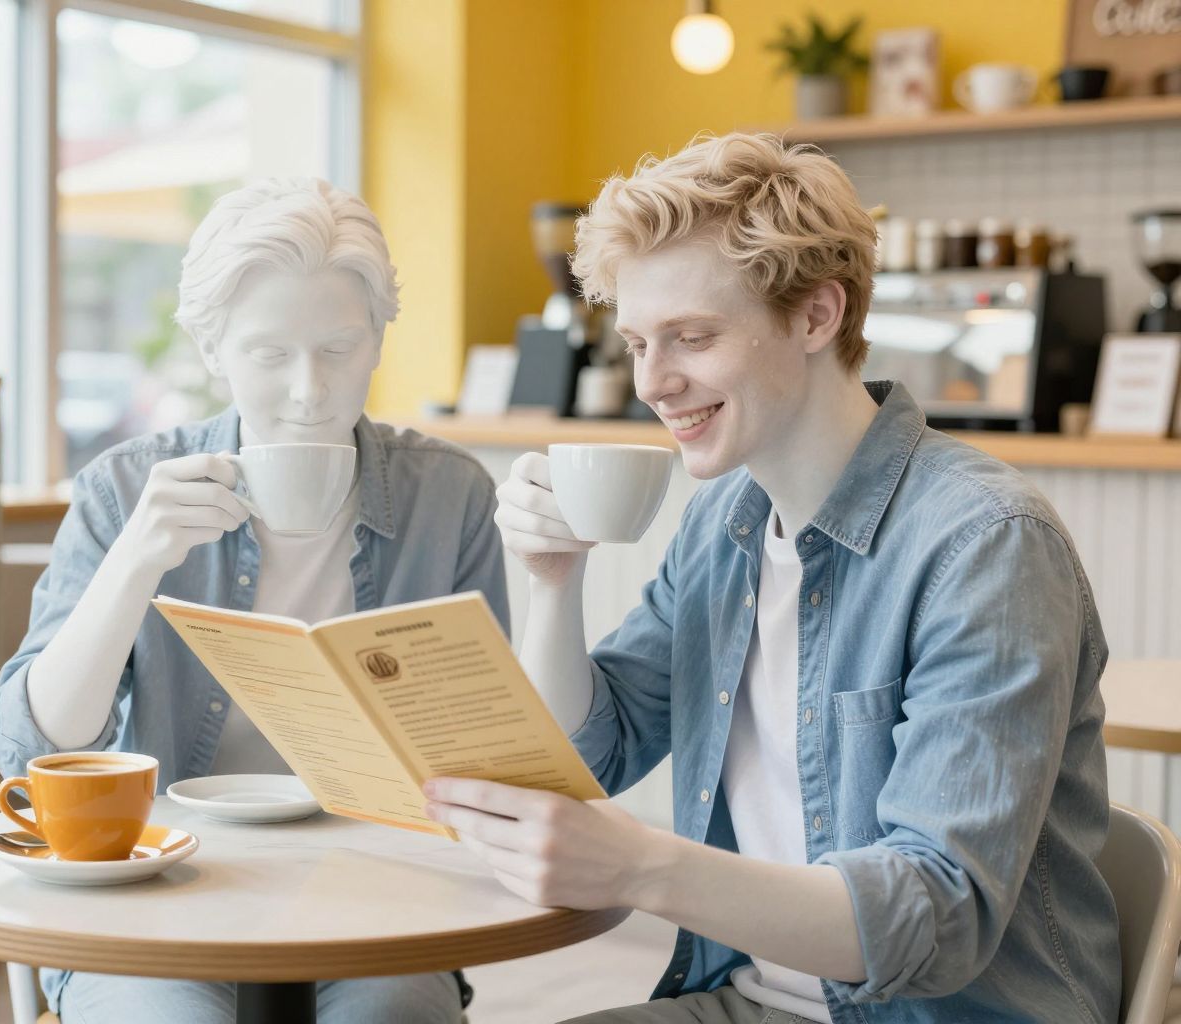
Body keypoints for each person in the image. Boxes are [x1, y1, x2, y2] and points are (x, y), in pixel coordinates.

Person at [422, 132, 1119, 1023]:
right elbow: (591, 753)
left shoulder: (984, 545)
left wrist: (642, 866)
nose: (653, 382)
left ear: (817, 317)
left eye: (693, 337)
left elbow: (937, 916)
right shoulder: (727, 522)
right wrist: (552, 582)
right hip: (752, 1000)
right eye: (637, 341)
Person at [0, 178, 507, 1023]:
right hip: (158, 890)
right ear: (210, 349)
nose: (309, 391)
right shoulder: (124, 490)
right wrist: (136, 562)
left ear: (379, 339)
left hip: (380, 889)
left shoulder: (447, 497)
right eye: (270, 356)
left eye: (338, 350)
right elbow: (34, 750)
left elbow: (477, 753)